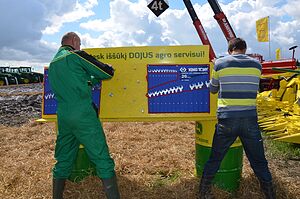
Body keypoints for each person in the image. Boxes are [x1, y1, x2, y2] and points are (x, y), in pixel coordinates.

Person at [198, 38, 275, 199]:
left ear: (230, 49)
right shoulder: (257, 65)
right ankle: (270, 194)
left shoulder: (220, 63)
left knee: (215, 158)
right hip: (249, 119)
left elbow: (212, 90)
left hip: (227, 119)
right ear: (244, 49)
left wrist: (215, 67)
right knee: (259, 161)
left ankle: (204, 192)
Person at [48, 32, 120, 199]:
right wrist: (109, 67)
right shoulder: (76, 55)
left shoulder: (53, 63)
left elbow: (79, 81)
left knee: (63, 158)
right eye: (79, 44)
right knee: (101, 158)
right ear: (74, 41)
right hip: (83, 115)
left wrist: (92, 80)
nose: (80, 47)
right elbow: (106, 72)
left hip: (64, 116)